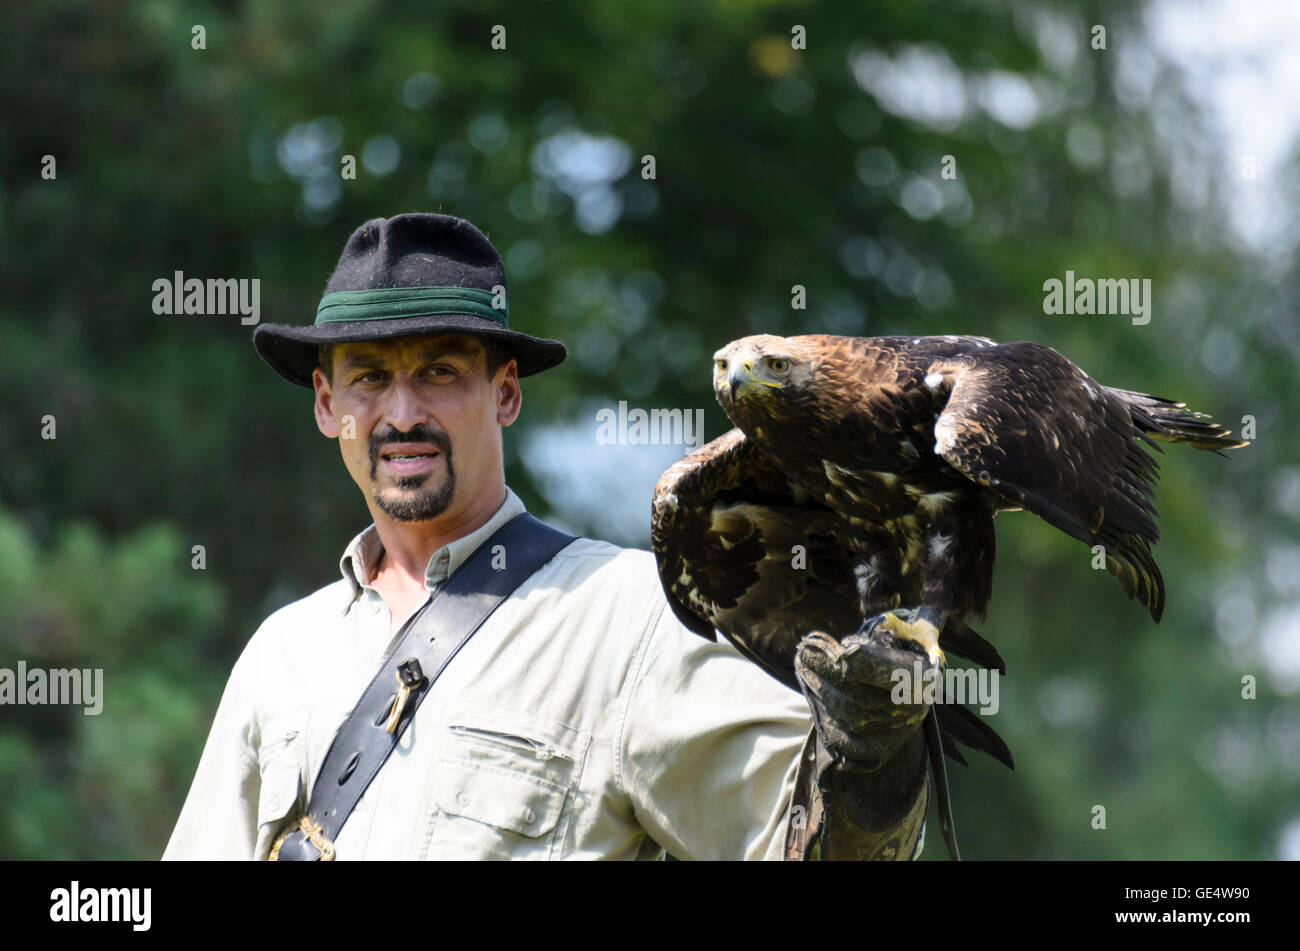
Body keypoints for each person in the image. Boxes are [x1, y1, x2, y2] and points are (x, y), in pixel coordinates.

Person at [162, 212, 933, 861]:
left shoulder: (630, 617)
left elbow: (815, 841)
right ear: (328, 406)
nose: (402, 413)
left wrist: (871, 763)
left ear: (503, 392)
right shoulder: (281, 653)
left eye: (438, 372)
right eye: (368, 376)